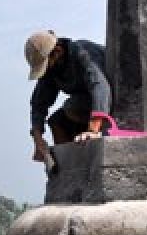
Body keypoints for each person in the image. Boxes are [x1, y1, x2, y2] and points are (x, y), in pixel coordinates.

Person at [25, 30, 113, 164]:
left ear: (58, 51)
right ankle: (67, 164)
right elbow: (38, 104)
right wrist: (38, 141)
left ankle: (98, 135)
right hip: (86, 104)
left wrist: (93, 129)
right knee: (56, 121)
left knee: (71, 107)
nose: (47, 69)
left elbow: (99, 86)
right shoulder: (52, 69)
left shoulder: (83, 53)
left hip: (110, 99)